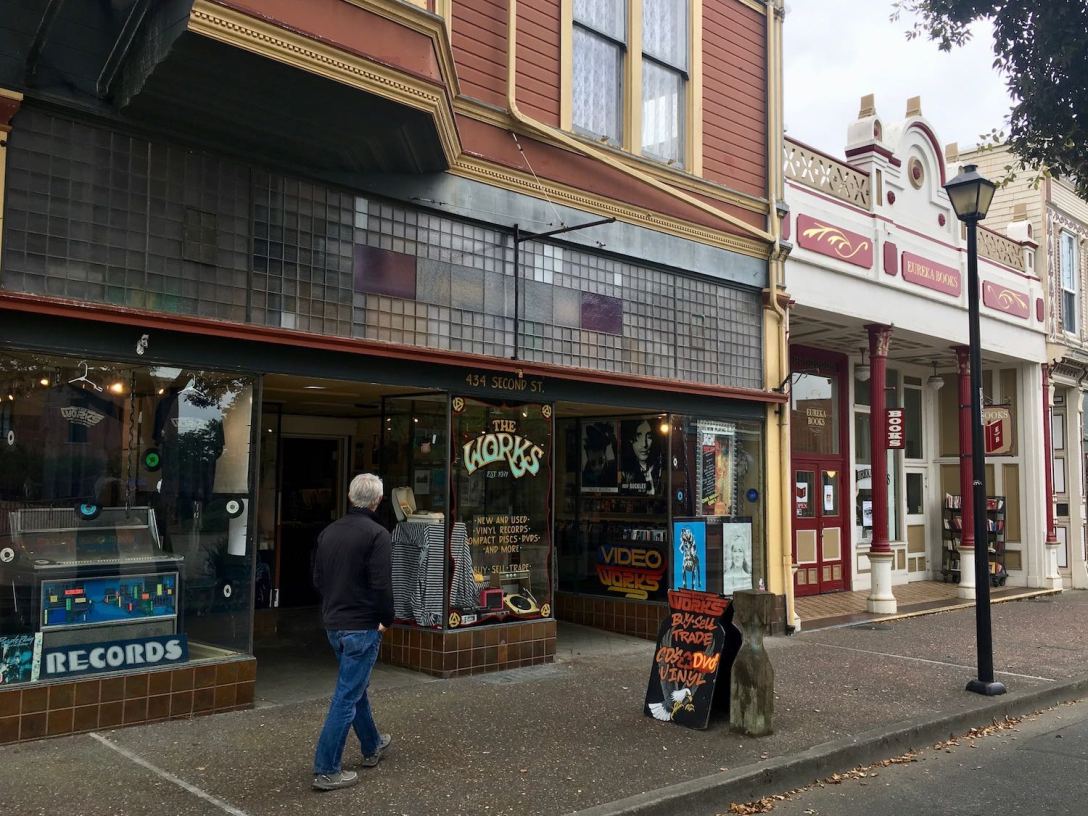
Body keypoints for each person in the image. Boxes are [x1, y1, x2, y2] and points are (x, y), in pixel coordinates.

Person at [311, 473, 395, 792]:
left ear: (349, 496)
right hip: (363, 626)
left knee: (354, 687)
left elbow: (318, 579)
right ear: (377, 500)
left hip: (335, 622)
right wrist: (387, 618)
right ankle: (327, 768)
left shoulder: (329, 532)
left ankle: (372, 744)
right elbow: (381, 585)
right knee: (347, 695)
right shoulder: (378, 534)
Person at [620, 418, 663, 494]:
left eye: (649, 436)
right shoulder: (625, 471)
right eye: (639, 436)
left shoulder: (657, 466)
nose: (645, 444)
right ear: (631, 439)